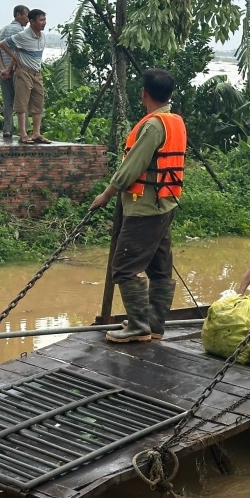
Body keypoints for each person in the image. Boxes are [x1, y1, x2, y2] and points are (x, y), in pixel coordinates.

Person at [89, 69, 187, 343]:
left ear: (144, 93)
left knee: (124, 266)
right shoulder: (175, 121)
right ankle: (154, 324)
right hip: (166, 203)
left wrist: (107, 194)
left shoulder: (154, 124)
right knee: (159, 266)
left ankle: (139, 325)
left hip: (145, 207)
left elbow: (133, 166)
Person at [0, 8, 48, 144]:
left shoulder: (42, 36)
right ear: (32, 21)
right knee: (22, 103)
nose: (44, 23)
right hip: (24, 72)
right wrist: (14, 56)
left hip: (37, 72)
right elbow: (3, 44)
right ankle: (23, 134)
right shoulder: (23, 35)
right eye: (41, 20)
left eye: (44, 19)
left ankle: (36, 133)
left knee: (38, 103)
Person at [0, 5, 29, 140]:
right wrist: (9, 69)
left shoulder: (3, 30)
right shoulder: (20, 31)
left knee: (7, 101)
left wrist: (2, 69)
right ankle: (24, 130)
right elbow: (17, 53)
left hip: (4, 72)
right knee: (22, 101)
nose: (28, 20)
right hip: (16, 70)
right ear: (18, 15)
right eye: (26, 16)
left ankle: (7, 129)